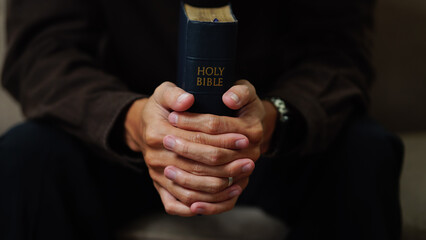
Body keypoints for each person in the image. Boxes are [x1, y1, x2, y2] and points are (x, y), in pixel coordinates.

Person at [0, 0, 403, 239]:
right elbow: (42, 51)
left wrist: (272, 117)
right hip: (111, 138)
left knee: (365, 153)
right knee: (24, 157)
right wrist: (134, 120)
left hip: (268, 139)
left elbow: (337, 52)